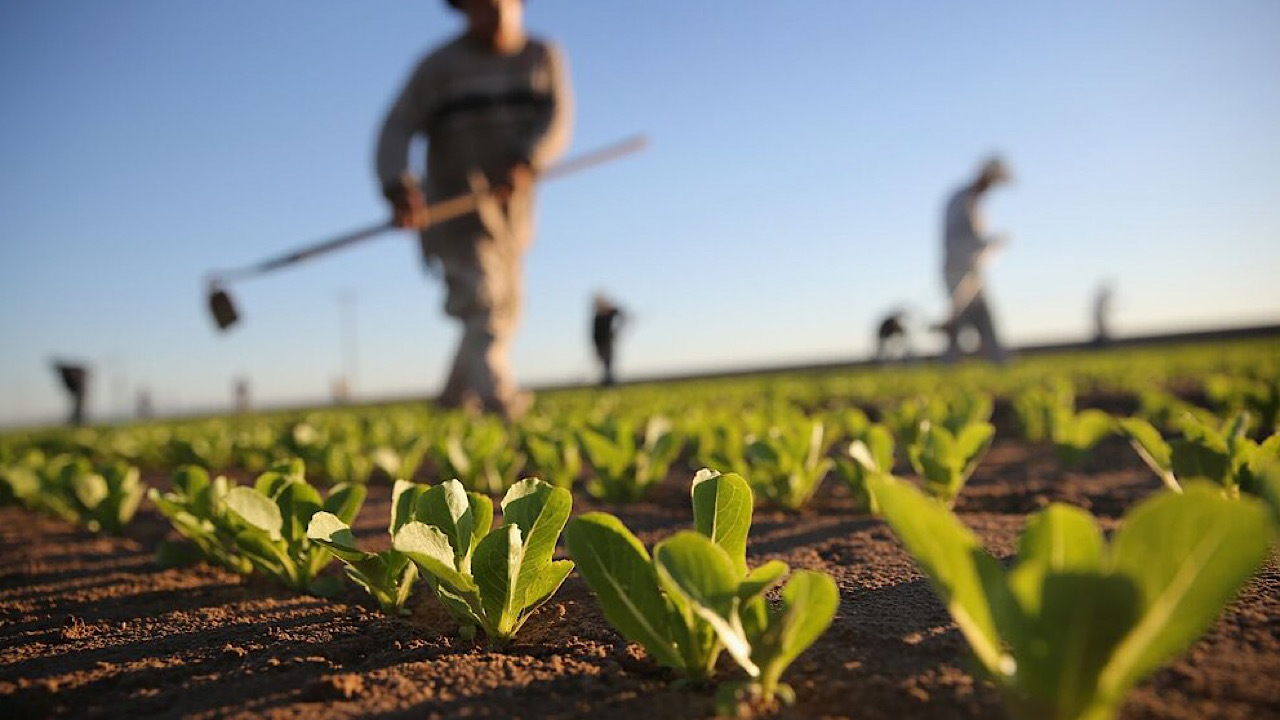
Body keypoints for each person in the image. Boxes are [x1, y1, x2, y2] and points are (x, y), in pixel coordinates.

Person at [375, 0, 573, 419]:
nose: (492, 15)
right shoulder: (439, 66)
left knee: (504, 309)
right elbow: (396, 127)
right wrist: (397, 184)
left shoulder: (542, 56)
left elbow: (557, 118)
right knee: (484, 304)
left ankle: (450, 402)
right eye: (479, 7)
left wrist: (527, 159)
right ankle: (500, 403)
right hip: (453, 210)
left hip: (511, 215)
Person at [938, 156, 1012, 363]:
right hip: (958, 270)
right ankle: (948, 366)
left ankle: (999, 362)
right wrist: (990, 243)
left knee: (984, 319)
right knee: (959, 321)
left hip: (971, 270)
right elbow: (959, 238)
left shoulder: (972, 200)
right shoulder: (963, 200)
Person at [591, 294, 627, 386]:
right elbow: (595, 334)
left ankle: (609, 381)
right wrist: (596, 346)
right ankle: (607, 380)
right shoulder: (597, 317)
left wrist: (617, 329)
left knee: (609, 362)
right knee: (604, 363)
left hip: (608, 342)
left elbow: (622, 315)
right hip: (600, 344)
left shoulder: (610, 312)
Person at [52, 361, 89, 426]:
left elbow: (74, 383)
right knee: (77, 406)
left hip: (80, 390)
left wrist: (74, 390)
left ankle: (78, 421)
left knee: (79, 406)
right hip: (78, 390)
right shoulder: (67, 371)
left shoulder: (67, 372)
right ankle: (76, 421)